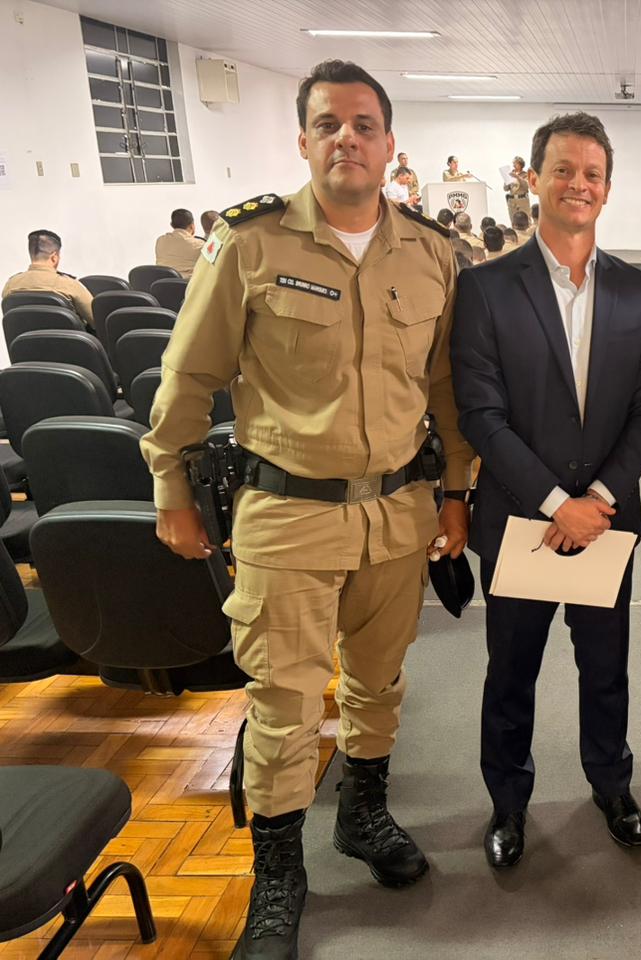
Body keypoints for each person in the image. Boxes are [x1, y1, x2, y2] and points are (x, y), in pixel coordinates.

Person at [138, 59, 474, 960]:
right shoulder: (249, 244)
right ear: (303, 141)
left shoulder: (430, 251)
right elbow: (188, 374)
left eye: (364, 125)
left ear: (391, 145)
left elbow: (447, 387)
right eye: (328, 124)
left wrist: (455, 494)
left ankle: (363, 815)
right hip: (288, 515)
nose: (346, 139)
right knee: (284, 704)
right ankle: (279, 874)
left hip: (397, 513)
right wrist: (169, 485)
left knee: (379, 683)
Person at [451, 111, 641, 869]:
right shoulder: (485, 289)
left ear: (607, 188)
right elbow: (480, 414)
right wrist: (555, 504)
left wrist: (598, 498)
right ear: (534, 180)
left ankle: (612, 785)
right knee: (511, 674)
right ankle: (509, 802)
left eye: (592, 173)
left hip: (605, 521)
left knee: (606, 672)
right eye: (564, 170)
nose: (579, 184)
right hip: (523, 522)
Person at [3, 229, 94, 327]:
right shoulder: (70, 285)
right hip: (65, 337)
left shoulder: (11, 285)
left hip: (24, 337)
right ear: (54, 257)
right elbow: (96, 321)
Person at [154, 209, 205, 279]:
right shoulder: (200, 245)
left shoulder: (160, 240)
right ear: (192, 226)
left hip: (162, 283)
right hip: (186, 285)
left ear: (171, 225)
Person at [505, 155, 533, 222]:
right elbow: (505, 189)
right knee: (513, 221)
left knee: (526, 220)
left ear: (520, 165)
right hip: (512, 201)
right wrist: (507, 179)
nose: (514, 165)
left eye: (515, 163)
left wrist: (517, 177)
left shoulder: (525, 174)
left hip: (522, 200)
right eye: (513, 163)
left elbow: (526, 186)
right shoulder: (511, 174)